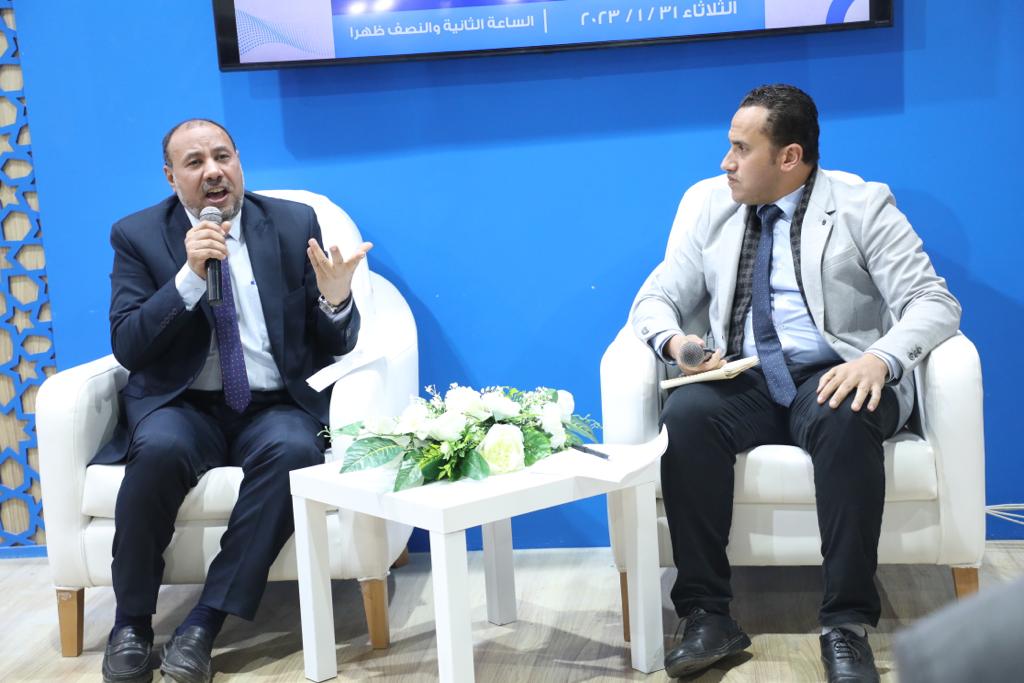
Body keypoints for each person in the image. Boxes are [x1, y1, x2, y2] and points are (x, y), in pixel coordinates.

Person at [630, 84, 960, 682]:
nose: (726, 162)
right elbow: (655, 298)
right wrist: (678, 345)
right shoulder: (710, 206)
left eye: (741, 148)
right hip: (747, 374)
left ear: (790, 157)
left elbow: (933, 302)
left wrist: (880, 360)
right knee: (688, 418)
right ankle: (707, 615)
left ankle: (847, 625)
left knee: (844, 413)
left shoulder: (862, 206)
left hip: (835, 370)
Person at [95, 118, 370, 683]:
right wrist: (188, 279)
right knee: (157, 452)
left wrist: (336, 301)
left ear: (239, 162)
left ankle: (203, 623)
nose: (213, 172)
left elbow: (334, 343)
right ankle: (131, 624)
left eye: (223, 157)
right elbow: (128, 345)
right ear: (171, 176)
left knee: (295, 452)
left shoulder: (292, 223)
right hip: (184, 406)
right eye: (194, 162)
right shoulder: (137, 235)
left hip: (273, 405)